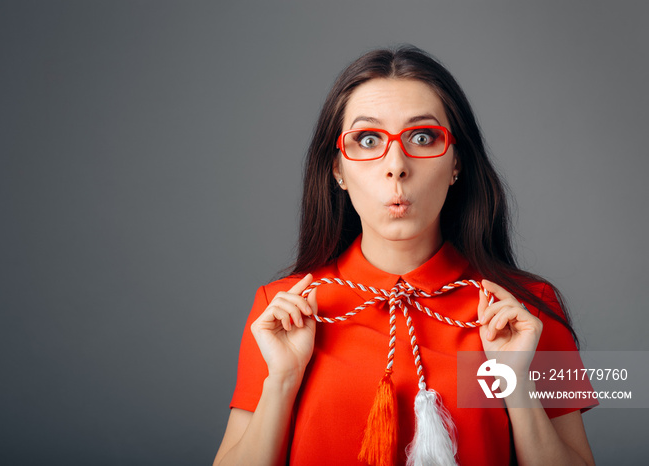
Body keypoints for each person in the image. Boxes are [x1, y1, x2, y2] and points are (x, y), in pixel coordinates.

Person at [213, 46, 595, 466]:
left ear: (456, 164)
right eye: (368, 139)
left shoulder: (524, 312)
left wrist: (514, 381)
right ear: (337, 169)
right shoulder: (281, 313)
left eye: (422, 137)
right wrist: (282, 380)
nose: (396, 165)